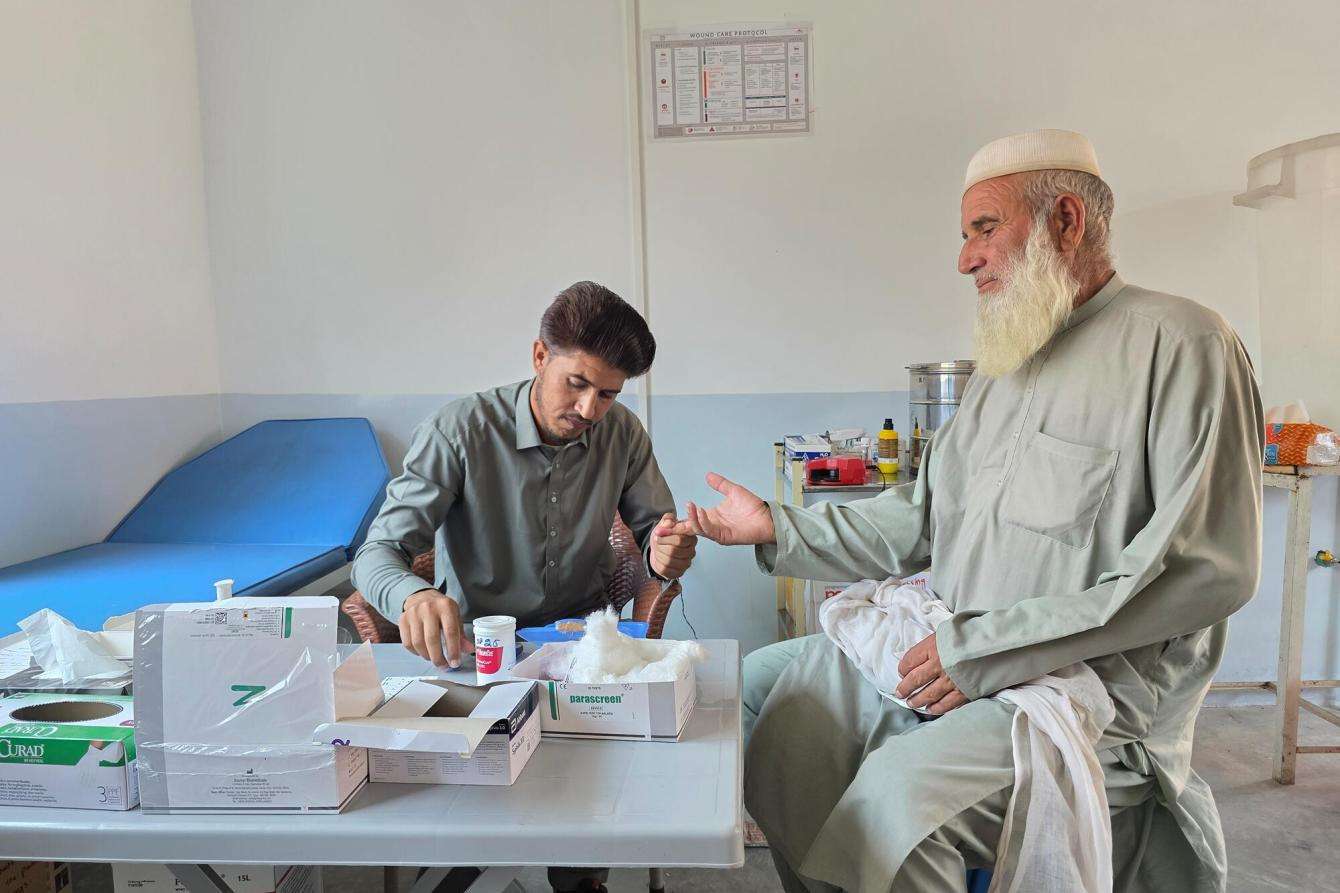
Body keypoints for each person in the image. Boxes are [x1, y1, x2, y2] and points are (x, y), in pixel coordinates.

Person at [680, 130, 1263, 891]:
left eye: (984, 229)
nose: (965, 258)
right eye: (965, 236)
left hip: (1079, 691)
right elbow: (923, 517)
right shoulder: (1006, 361)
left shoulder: (1182, 343)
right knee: (761, 708)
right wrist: (778, 528)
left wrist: (988, 648)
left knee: (895, 810)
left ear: (1065, 219)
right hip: (951, 647)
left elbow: (1203, 571)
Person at [353, 280, 697, 893]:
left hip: (583, 652)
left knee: (588, 806)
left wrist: (667, 552)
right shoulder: (459, 431)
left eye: (610, 394)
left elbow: (654, 537)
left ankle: (581, 878)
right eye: (578, 383)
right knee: (474, 819)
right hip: (474, 655)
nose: (591, 409)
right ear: (540, 357)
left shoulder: (624, 435)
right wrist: (411, 596)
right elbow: (378, 551)